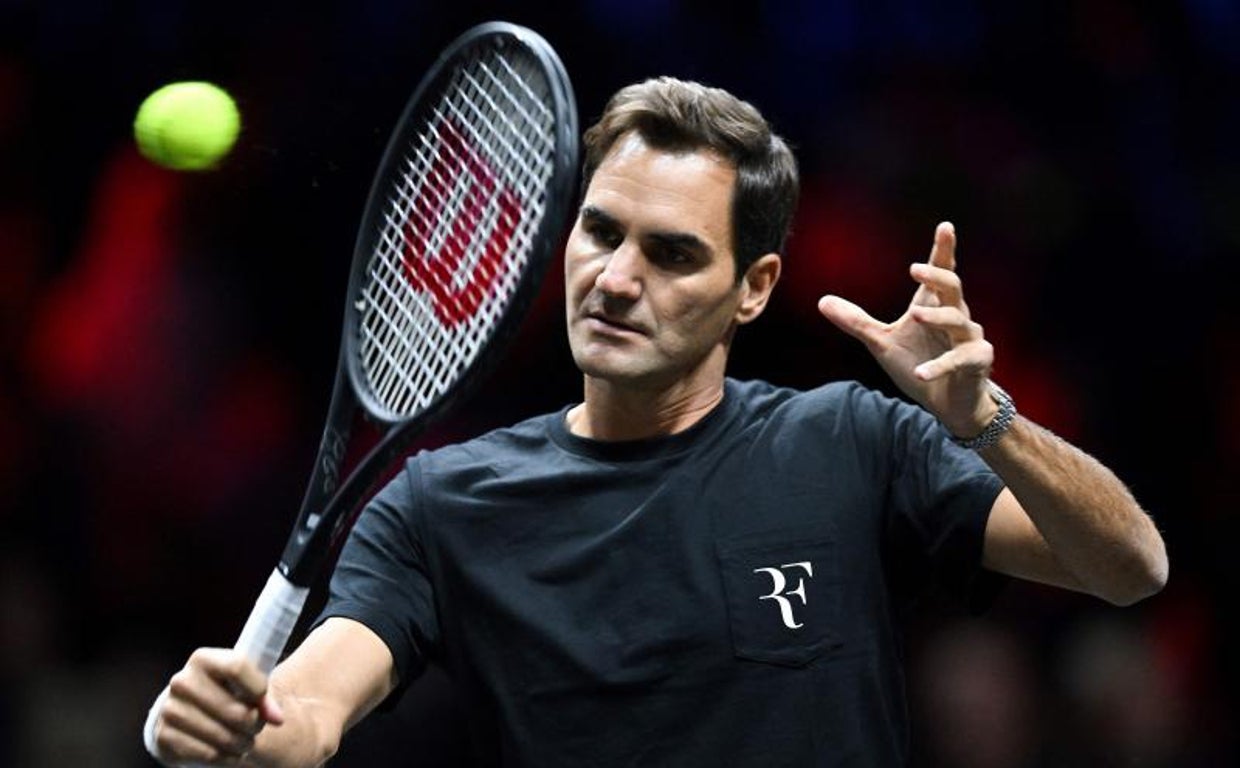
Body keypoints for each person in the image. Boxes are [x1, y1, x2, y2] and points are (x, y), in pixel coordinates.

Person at [143, 76, 1168, 767]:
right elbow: (306, 716)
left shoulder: (851, 443)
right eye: (600, 232)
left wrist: (987, 421)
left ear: (754, 287)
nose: (616, 279)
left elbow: (1129, 566)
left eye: (672, 254)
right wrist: (233, 724)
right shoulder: (441, 503)